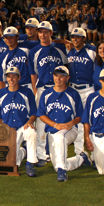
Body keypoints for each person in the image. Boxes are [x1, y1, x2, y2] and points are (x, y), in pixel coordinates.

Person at [37, 66, 90, 182]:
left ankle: (62, 171)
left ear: (67, 78)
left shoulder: (73, 94)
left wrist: (71, 123)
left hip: (69, 130)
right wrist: (55, 125)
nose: (58, 79)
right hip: (52, 131)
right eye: (56, 75)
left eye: (62, 76)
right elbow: (41, 114)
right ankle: (81, 159)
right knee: (57, 165)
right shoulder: (46, 94)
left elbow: (80, 116)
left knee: (61, 137)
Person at [28, 21, 68, 167]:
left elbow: (66, 67)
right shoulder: (34, 51)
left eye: (46, 32)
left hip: (59, 88)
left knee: (58, 117)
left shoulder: (61, 48)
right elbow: (33, 74)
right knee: (40, 121)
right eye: (40, 32)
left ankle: (55, 153)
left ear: (51, 33)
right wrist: (34, 90)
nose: (43, 35)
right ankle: (41, 154)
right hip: (43, 89)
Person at [0, 67, 38, 176]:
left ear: (19, 78)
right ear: (6, 78)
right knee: (9, 164)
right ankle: (23, 151)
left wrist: (30, 122)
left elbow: (34, 113)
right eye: (9, 76)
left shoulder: (27, 92)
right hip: (8, 130)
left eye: (14, 76)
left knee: (31, 132)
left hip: (23, 126)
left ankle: (30, 163)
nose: (11, 79)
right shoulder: (1, 93)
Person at [66, 28, 96, 158]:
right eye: (73, 37)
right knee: (77, 119)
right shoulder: (68, 51)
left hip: (88, 89)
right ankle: (79, 151)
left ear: (84, 38)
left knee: (90, 119)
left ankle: (95, 151)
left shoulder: (91, 51)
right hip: (73, 88)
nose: (75, 39)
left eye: (78, 37)